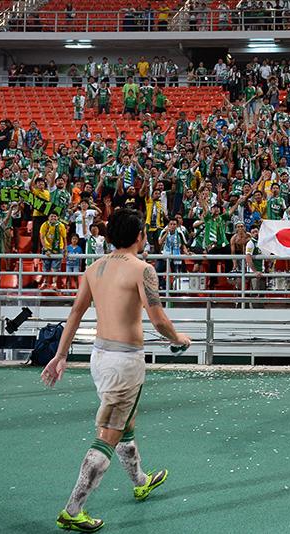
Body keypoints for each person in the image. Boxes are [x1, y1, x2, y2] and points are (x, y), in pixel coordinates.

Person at [40, 209, 191, 533]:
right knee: (109, 432)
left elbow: (75, 313)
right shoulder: (143, 269)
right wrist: (178, 339)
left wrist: (61, 354)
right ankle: (73, 510)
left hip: (99, 357)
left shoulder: (94, 267)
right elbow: (158, 319)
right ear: (139, 236)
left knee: (126, 422)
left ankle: (141, 481)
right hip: (124, 363)